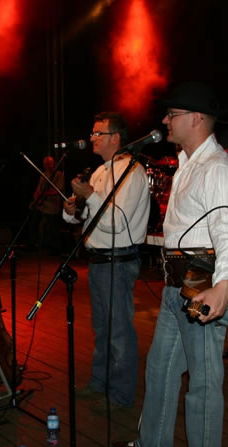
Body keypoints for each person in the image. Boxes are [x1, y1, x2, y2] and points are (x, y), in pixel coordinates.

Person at [124, 81, 228, 447]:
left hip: (204, 290)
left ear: (195, 118)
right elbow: (189, 231)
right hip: (178, 288)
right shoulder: (187, 164)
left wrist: (224, 285)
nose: (165, 120)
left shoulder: (217, 169)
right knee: (160, 368)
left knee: (203, 385)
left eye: (172, 114)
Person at [62, 112, 151, 411]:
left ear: (116, 137)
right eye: (92, 132)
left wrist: (90, 195)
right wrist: (73, 208)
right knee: (102, 329)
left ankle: (121, 395)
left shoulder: (133, 172)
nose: (92, 138)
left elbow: (117, 222)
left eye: (98, 133)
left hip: (118, 261)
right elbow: (87, 216)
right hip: (99, 260)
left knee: (119, 332)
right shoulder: (100, 171)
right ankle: (100, 383)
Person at [29, 155, 64, 255]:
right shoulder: (43, 175)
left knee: (51, 228)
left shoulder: (59, 175)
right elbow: (38, 190)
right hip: (41, 204)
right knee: (33, 222)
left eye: (50, 164)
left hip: (53, 205)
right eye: (46, 164)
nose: (48, 166)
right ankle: (32, 244)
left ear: (54, 164)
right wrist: (35, 199)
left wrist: (44, 194)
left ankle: (52, 248)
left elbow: (58, 190)